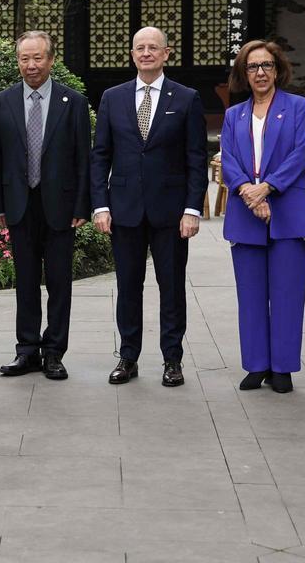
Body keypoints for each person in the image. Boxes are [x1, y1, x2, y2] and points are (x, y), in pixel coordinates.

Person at [91, 26, 207, 387]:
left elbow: (196, 158)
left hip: (170, 212)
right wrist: (100, 206)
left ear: (166, 53)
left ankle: (172, 359)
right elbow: (100, 156)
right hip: (124, 209)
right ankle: (128, 357)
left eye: (153, 48)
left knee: (171, 287)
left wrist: (192, 209)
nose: (146, 53)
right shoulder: (113, 97)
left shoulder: (186, 98)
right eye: (139, 48)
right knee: (128, 286)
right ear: (132, 54)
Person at [0, 31, 91, 380]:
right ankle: (27, 350)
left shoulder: (72, 102)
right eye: (24, 59)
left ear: (51, 60)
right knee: (26, 281)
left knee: (60, 282)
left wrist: (83, 205)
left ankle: (54, 352)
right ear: (17, 61)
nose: (31, 65)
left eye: (37, 58)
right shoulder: (2, 101)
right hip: (19, 204)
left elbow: (83, 158)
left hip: (60, 206)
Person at [220, 41, 305, 394]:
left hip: (288, 210)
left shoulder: (297, 107)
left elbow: (300, 153)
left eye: (266, 66)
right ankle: (256, 365)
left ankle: (283, 368)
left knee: (287, 294)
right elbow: (228, 159)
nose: (260, 73)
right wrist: (249, 190)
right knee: (250, 295)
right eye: (252, 67)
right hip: (246, 212)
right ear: (243, 74)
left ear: (278, 70)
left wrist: (268, 189)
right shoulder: (235, 115)